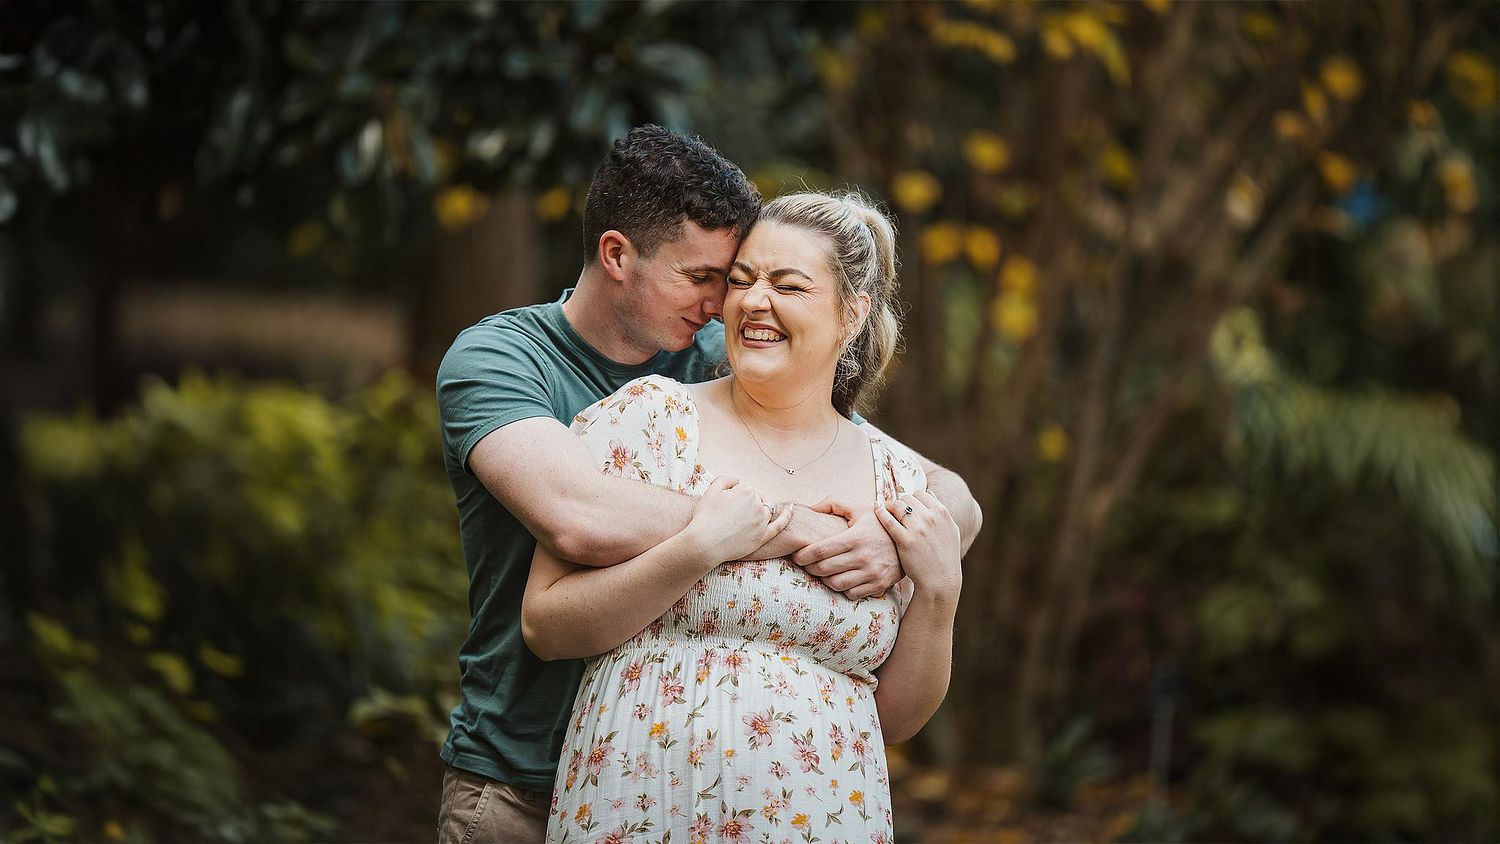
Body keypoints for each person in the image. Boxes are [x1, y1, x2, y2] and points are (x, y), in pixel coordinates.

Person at [435, 126, 981, 842]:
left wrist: (899, 540)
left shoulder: (720, 348)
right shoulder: (505, 359)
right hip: (523, 774)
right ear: (617, 256)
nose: (728, 302)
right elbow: (576, 516)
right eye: (706, 279)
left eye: (738, 278)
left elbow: (944, 490)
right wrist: (786, 526)